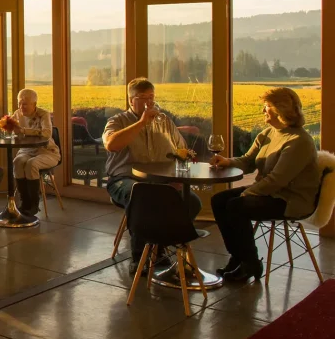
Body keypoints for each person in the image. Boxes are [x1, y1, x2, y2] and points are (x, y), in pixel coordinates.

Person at [209, 87, 320, 283]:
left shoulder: (299, 141)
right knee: (219, 200)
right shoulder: (269, 133)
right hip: (267, 192)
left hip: (289, 199)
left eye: (266, 106)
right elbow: (248, 161)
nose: (263, 110)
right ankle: (239, 256)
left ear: (280, 110)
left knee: (235, 206)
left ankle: (250, 262)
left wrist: (248, 193)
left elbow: (277, 180)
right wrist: (228, 161)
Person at [103, 77, 199, 275]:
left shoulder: (165, 121)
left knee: (192, 201)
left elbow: (182, 151)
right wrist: (141, 122)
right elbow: (111, 144)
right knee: (143, 195)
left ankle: (161, 245)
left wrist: (177, 176)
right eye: (142, 98)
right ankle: (141, 258)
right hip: (124, 180)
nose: (149, 102)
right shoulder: (118, 121)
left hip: (159, 181)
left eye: (152, 97)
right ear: (131, 101)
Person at [10, 89, 60, 216]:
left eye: (25, 104)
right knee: (17, 161)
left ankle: (34, 205)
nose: (22, 107)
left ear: (34, 104)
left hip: (47, 151)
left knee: (31, 164)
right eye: (20, 103)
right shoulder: (17, 114)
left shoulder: (43, 114)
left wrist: (24, 131)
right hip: (26, 150)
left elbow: (46, 133)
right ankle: (24, 203)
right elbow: (10, 129)